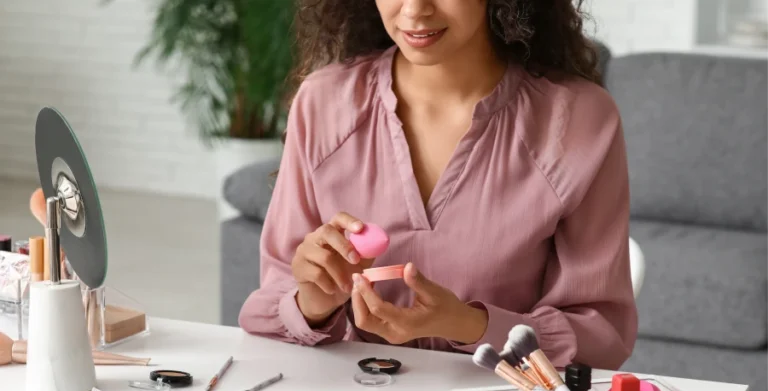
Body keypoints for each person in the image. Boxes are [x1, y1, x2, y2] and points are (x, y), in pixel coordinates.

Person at [238, 0, 638, 370]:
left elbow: (602, 336)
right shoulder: (323, 102)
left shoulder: (579, 123)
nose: (414, 10)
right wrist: (315, 302)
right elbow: (266, 311)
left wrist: (470, 324)